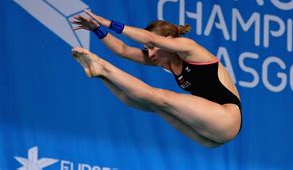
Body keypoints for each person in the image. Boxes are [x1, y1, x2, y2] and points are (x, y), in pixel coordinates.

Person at [70, 10, 242, 147]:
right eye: (147, 49)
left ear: (168, 40)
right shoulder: (165, 61)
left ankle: (104, 67)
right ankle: (100, 73)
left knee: (160, 97)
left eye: (152, 47)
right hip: (209, 137)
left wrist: (109, 24)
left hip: (227, 117)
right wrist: (96, 29)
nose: (150, 53)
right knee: (144, 102)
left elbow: (151, 37)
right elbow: (123, 51)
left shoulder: (189, 48)